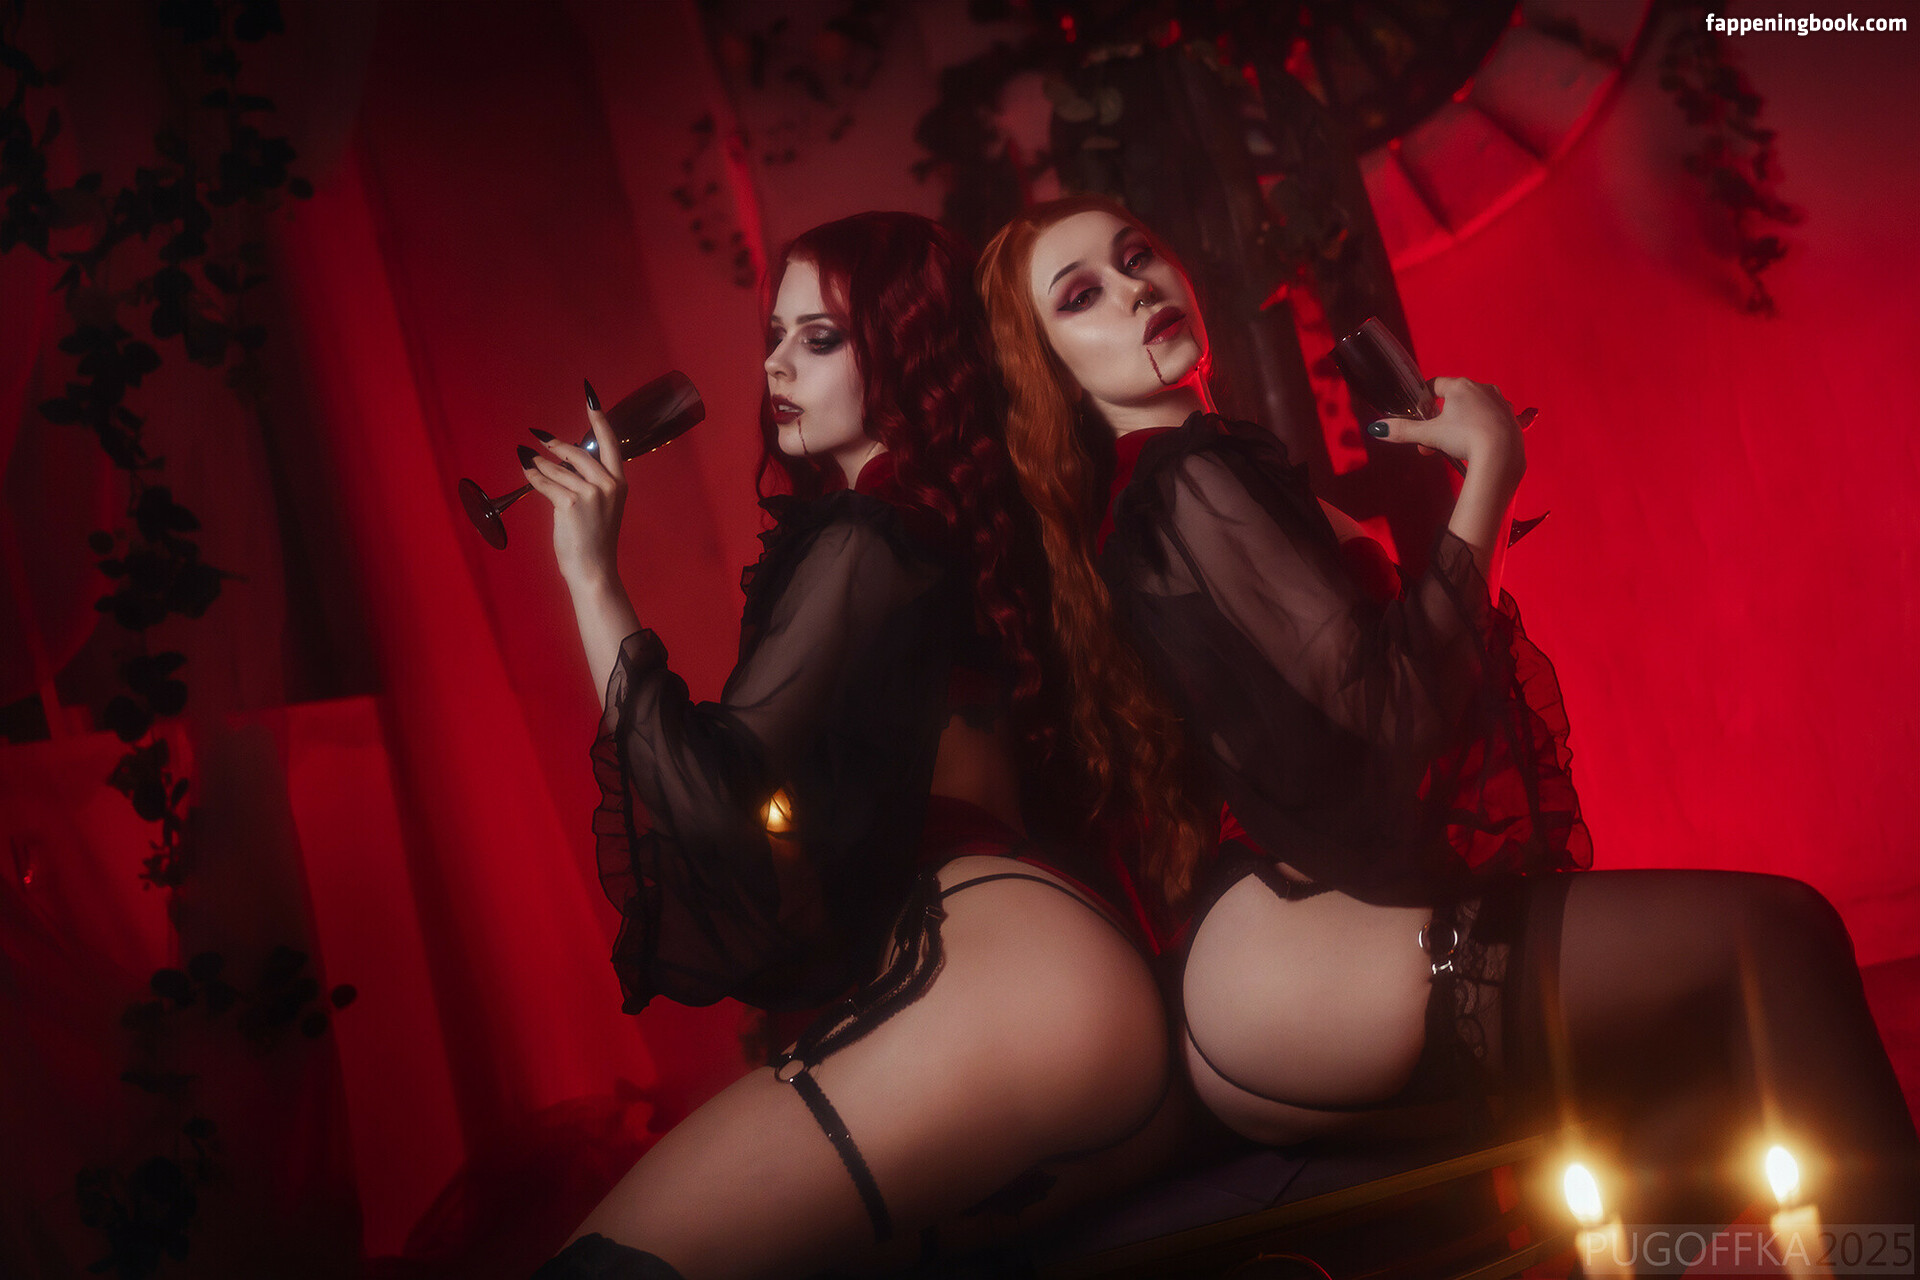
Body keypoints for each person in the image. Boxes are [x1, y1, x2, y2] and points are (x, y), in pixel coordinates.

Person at [976, 193, 1918, 1227]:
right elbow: (1391, 711)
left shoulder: (1176, 484)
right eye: (1080, 297)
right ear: (1051, 371)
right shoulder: (1195, 477)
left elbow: (1376, 694)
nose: (1133, 290)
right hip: (1303, 951)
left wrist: (1474, 509)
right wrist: (1494, 471)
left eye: (1137, 256)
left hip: (1272, 970)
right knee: (1782, 934)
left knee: (1691, 1076)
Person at [517, 211, 1182, 1280]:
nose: (776, 366)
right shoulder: (962, 528)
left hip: (1016, 979)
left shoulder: (874, 537)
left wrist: (592, 576)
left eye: (820, 338)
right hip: (1062, 980)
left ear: (908, 351)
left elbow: (714, 800)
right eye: (775, 336)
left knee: (606, 1269)